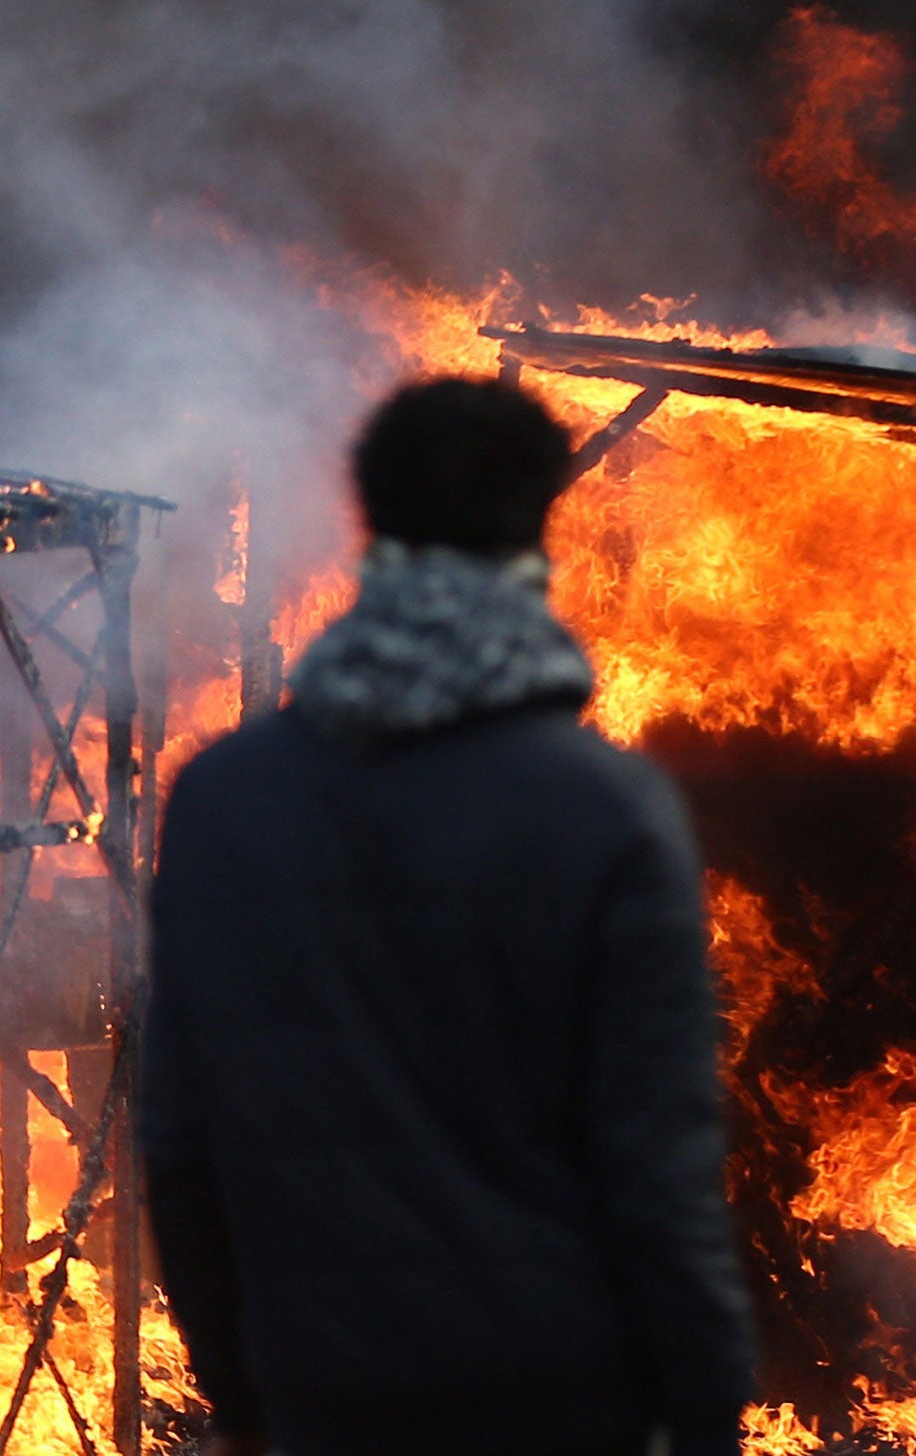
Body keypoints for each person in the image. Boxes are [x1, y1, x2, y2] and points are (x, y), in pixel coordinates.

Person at [137, 376, 754, 1456]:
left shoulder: (222, 800)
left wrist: (247, 1397)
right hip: (561, 1402)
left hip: (321, 1393)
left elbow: (180, 1143)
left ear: (368, 526)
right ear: (537, 535)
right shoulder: (604, 813)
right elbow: (657, 1170)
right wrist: (701, 1416)